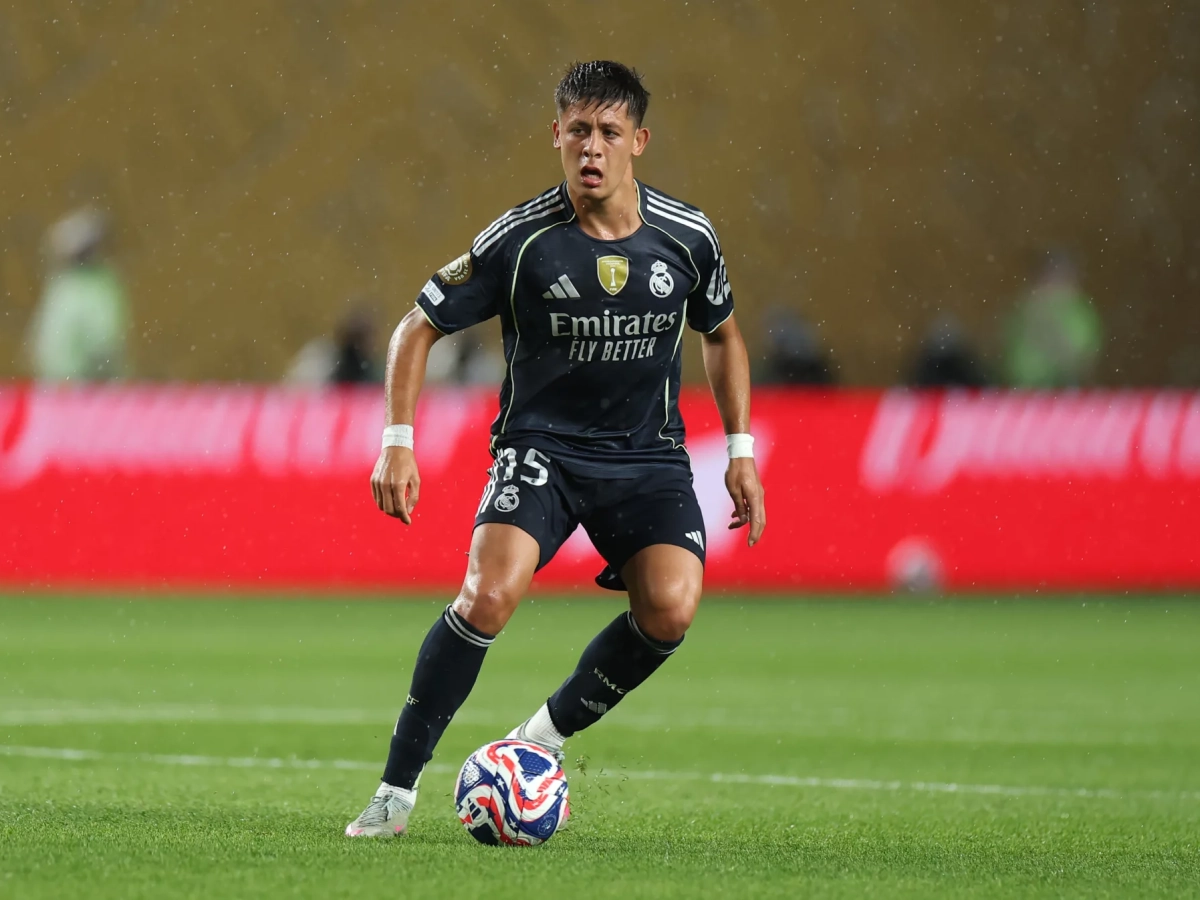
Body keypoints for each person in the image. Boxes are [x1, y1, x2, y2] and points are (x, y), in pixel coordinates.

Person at [345, 60, 766, 838]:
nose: (592, 149)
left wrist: (739, 448)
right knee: (487, 595)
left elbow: (725, 336)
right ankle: (394, 793)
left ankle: (537, 741)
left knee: (671, 609)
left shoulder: (687, 237)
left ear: (638, 141)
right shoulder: (523, 239)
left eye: (609, 133)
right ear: (556, 136)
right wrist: (395, 443)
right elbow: (416, 327)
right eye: (578, 132)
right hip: (543, 450)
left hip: (647, 458)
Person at [26, 208, 129, 382]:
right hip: (58, 384)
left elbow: (104, 340)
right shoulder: (64, 283)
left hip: (88, 385)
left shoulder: (98, 284)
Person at [1005, 253, 1103, 388]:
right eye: (1046, 278)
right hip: (1020, 388)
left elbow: (1078, 362)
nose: (1051, 286)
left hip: (1062, 389)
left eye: (1058, 279)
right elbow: (1005, 351)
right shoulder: (1024, 307)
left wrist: (1047, 322)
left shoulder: (1079, 313)